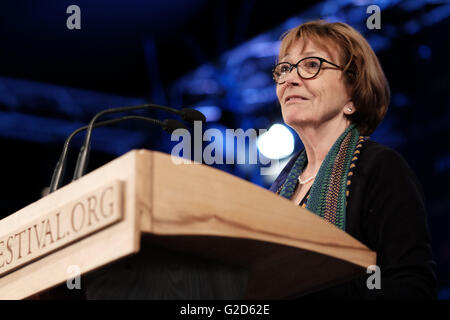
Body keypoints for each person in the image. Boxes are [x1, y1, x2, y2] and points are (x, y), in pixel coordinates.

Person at [269, 20, 436, 299]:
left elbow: (414, 288)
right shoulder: (278, 188)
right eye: (284, 68)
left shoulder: (381, 168)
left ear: (353, 94)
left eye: (312, 65)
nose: (290, 78)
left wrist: (313, 286)